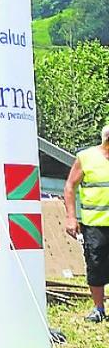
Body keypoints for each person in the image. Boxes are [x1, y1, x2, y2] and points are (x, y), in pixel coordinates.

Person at [64, 123, 109, 323]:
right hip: (95, 224)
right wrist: (71, 217)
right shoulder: (86, 158)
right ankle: (98, 308)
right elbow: (70, 186)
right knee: (95, 264)